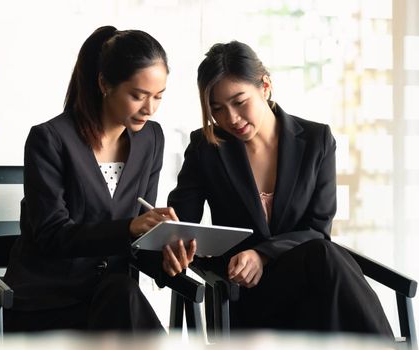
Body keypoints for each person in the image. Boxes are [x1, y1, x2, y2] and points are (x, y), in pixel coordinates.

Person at [166, 41, 394, 337]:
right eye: (217, 109)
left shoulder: (316, 141)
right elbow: (182, 223)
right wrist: (171, 238)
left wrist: (263, 254)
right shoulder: (205, 148)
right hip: (244, 295)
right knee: (326, 258)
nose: (231, 119)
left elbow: (317, 229)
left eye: (239, 101)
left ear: (265, 86)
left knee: (323, 254)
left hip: (310, 294)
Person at [3, 25, 184, 333]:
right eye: (138, 96)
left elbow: (139, 237)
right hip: (48, 302)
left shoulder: (150, 139)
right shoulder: (50, 139)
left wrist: (166, 261)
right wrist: (129, 227)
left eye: (158, 96)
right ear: (104, 84)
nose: (149, 109)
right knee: (123, 296)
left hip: (110, 300)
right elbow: (51, 234)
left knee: (123, 292)